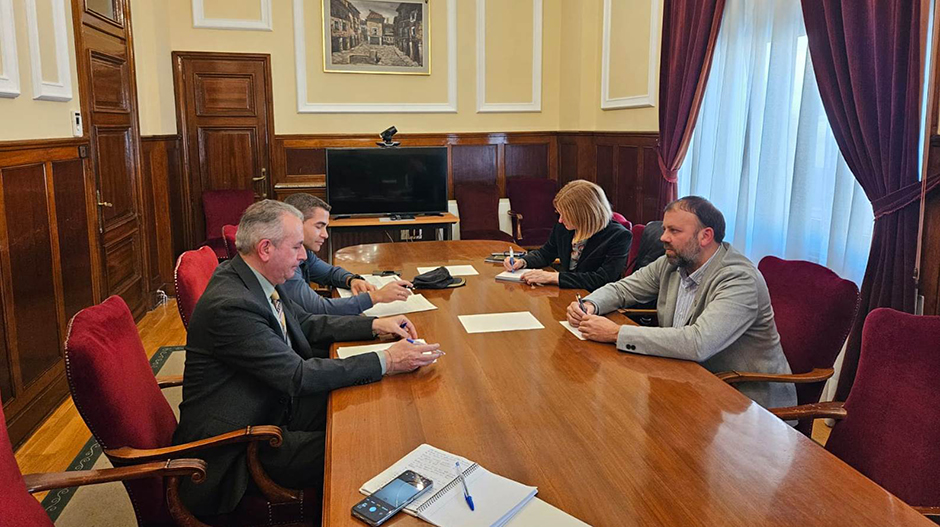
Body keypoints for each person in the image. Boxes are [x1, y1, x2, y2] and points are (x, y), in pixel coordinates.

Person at [173, 200, 442, 515]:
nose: (303, 257)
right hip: (241, 448)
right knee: (370, 445)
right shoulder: (232, 304)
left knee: (375, 410)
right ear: (265, 249)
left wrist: (374, 325)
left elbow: (305, 324)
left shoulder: (255, 277)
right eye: (297, 247)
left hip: (273, 404)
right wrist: (387, 360)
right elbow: (297, 376)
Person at [566, 196, 796, 409]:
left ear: (705, 236)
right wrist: (589, 304)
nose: (663, 237)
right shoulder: (674, 261)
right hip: (689, 380)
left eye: (674, 231)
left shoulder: (738, 279)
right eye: (665, 229)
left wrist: (616, 333)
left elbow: (698, 342)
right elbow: (624, 288)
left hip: (746, 404)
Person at [281, 193, 413, 314]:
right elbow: (318, 308)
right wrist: (376, 297)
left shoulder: (304, 252)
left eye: (325, 227)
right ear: (296, 224)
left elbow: (329, 273)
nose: (325, 235)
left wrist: (351, 280)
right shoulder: (284, 261)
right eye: (318, 226)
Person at [502, 180, 631, 291]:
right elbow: (545, 253)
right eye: (559, 214)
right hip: (565, 294)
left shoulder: (619, 236)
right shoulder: (564, 228)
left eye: (566, 215)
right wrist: (523, 262)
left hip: (594, 302)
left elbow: (602, 279)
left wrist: (553, 277)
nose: (560, 220)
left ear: (584, 214)